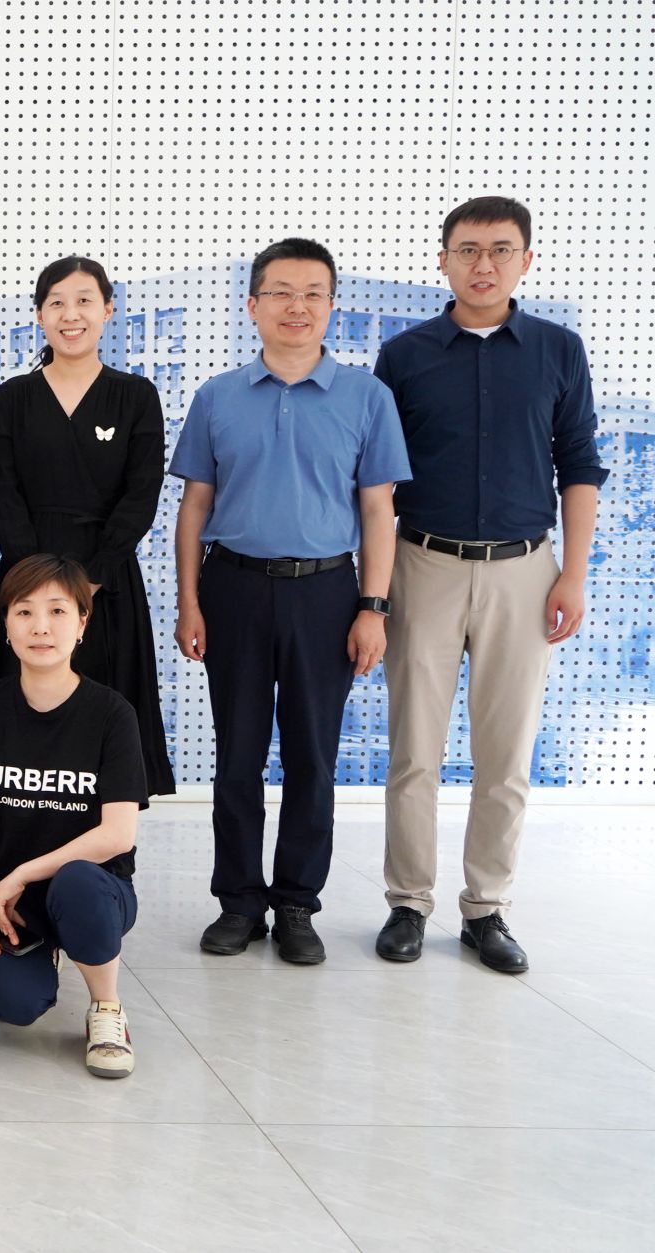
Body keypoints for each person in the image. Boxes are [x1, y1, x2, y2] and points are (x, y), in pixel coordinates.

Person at [373, 197, 607, 973]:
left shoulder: (558, 350)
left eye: (501, 249)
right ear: (442, 259)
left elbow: (579, 465)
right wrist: (375, 588)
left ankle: (487, 909)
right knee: (415, 749)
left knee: (506, 754)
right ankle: (408, 902)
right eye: (468, 249)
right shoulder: (404, 355)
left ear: (525, 261)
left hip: (524, 569)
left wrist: (573, 573)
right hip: (424, 563)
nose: (484, 264)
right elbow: (377, 481)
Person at [170, 239, 411, 964]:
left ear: (332, 306)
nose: (296, 306)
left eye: (312, 293)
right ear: (253, 305)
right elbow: (194, 506)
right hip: (234, 586)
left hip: (328, 592)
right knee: (237, 754)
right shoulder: (217, 396)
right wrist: (189, 601)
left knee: (313, 755)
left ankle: (298, 903)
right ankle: (239, 902)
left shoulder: (367, 397)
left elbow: (378, 510)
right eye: (279, 292)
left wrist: (373, 606)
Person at [0, 554, 147, 1079]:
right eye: (24, 612)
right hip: (3, 898)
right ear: (6, 626)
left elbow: (117, 834)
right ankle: (46, 948)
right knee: (17, 1008)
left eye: (57, 611)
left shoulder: (112, 714)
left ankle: (107, 1008)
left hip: (93, 886)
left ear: (81, 624)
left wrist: (24, 873)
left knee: (76, 883)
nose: (41, 627)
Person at [0, 258, 174, 796]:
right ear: (39, 314)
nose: (72, 315)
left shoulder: (136, 395)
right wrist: (38, 586)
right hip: (25, 577)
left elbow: (142, 495)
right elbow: (3, 493)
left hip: (107, 581)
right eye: (57, 303)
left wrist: (89, 581)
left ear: (108, 310)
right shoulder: (13, 396)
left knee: (107, 719)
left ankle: (110, 843)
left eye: (85, 301)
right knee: (21, 721)